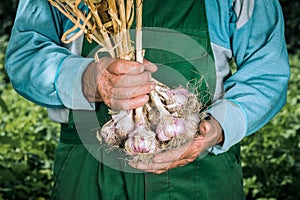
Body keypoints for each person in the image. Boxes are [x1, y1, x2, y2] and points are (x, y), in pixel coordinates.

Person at [5, 0, 290, 199]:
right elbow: (26, 55)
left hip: (202, 176)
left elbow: (267, 69)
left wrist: (217, 127)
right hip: (88, 175)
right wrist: (90, 78)